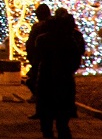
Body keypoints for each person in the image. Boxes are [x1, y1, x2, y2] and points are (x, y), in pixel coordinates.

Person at [30, 10, 85, 139]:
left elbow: (36, 57)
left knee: (47, 116)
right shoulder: (69, 40)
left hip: (46, 78)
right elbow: (76, 59)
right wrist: (68, 70)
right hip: (64, 79)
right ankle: (62, 131)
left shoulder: (42, 39)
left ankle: (48, 132)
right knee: (62, 117)